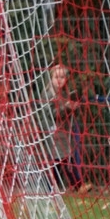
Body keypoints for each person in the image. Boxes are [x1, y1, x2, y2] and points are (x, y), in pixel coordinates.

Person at [45, 63, 90, 193]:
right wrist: (66, 107)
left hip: (63, 133)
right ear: (51, 78)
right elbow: (51, 114)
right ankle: (72, 186)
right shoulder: (48, 94)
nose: (59, 80)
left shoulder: (64, 93)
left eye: (62, 77)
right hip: (52, 132)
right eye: (56, 77)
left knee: (64, 159)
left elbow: (67, 113)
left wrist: (73, 107)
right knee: (59, 160)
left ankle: (75, 185)